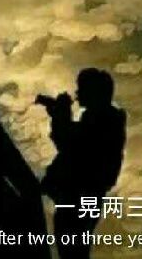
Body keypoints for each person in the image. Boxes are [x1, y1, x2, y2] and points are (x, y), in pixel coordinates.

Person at [36, 68, 126, 259]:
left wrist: (61, 114)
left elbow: (69, 143)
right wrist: (59, 114)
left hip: (79, 196)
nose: (77, 93)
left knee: (72, 250)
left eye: (82, 88)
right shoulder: (103, 120)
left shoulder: (103, 120)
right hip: (82, 196)